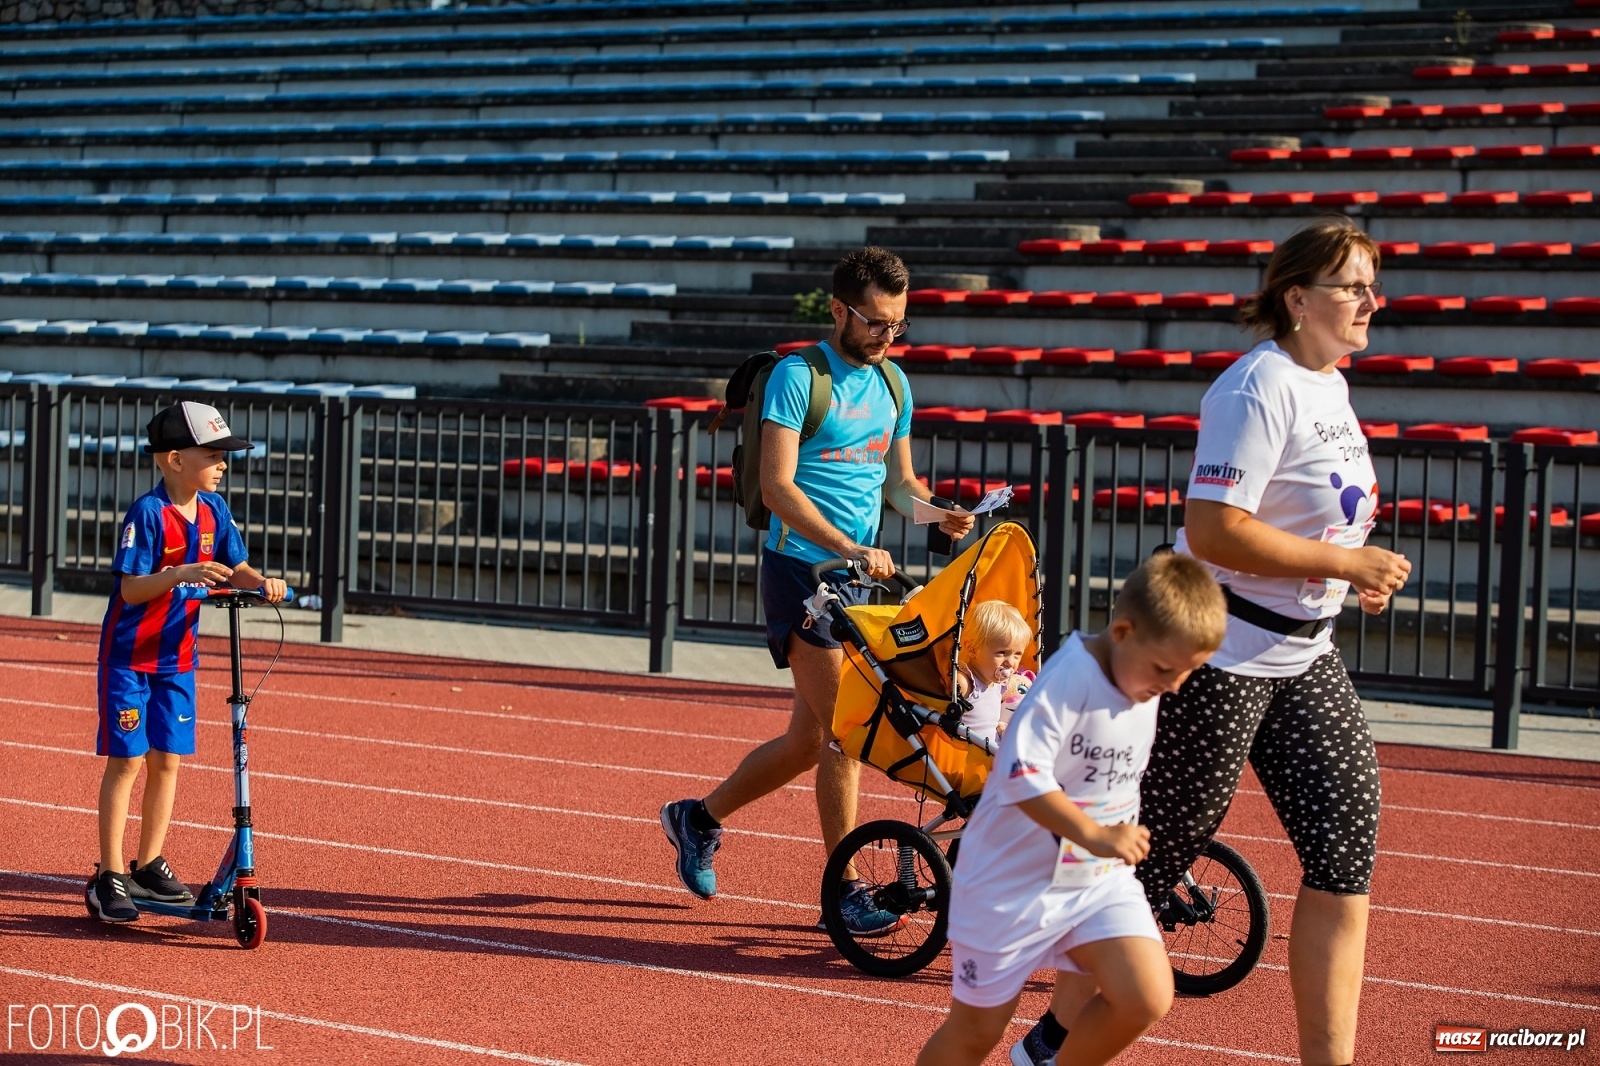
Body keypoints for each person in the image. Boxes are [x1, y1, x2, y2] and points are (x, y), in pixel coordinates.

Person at [1015, 217, 1412, 1066]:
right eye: (1353, 285)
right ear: (1298, 298)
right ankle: (1052, 1044)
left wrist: (1349, 580)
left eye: (1373, 284)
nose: (1371, 301)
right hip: (1218, 659)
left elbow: (1304, 522)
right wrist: (1344, 558)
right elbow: (1216, 528)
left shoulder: (1331, 386)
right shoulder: (1254, 386)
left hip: (1304, 658)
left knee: (1346, 853)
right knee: (1148, 871)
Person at [661, 246, 974, 935]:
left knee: (807, 740)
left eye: (898, 325)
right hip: (801, 571)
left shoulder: (894, 385)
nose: (888, 336)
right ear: (838, 310)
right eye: (875, 323)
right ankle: (845, 889)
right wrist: (847, 546)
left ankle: (697, 818)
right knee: (845, 735)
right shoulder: (798, 379)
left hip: (859, 576)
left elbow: (898, 486)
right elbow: (778, 488)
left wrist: (938, 515)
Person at [917, 554, 1227, 1066]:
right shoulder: (1069, 680)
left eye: (1186, 674)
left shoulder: (1142, 674)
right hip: (1007, 884)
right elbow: (1020, 775)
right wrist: (1094, 834)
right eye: (1167, 671)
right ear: (1123, 632)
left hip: (1092, 880)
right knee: (975, 1034)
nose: (1173, 686)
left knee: (1146, 994)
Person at [88, 401, 288, 923]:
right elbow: (131, 589)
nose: (224, 463)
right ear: (174, 460)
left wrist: (261, 582)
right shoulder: (148, 514)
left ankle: (148, 863)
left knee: (167, 760)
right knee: (127, 761)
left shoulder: (215, 512)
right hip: (129, 659)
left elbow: (235, 565)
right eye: (214, 454)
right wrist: (181, 573)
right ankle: (109, 875)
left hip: (178, 661)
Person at [954, 599, 1034, 748]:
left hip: (992, 759)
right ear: (972, 649)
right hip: (968, 762)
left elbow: (1018, 685)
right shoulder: (965, 683)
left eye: (1017, 654)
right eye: (1002, 653)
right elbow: (934, 710)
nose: (1010, 662)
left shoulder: (998, 683)